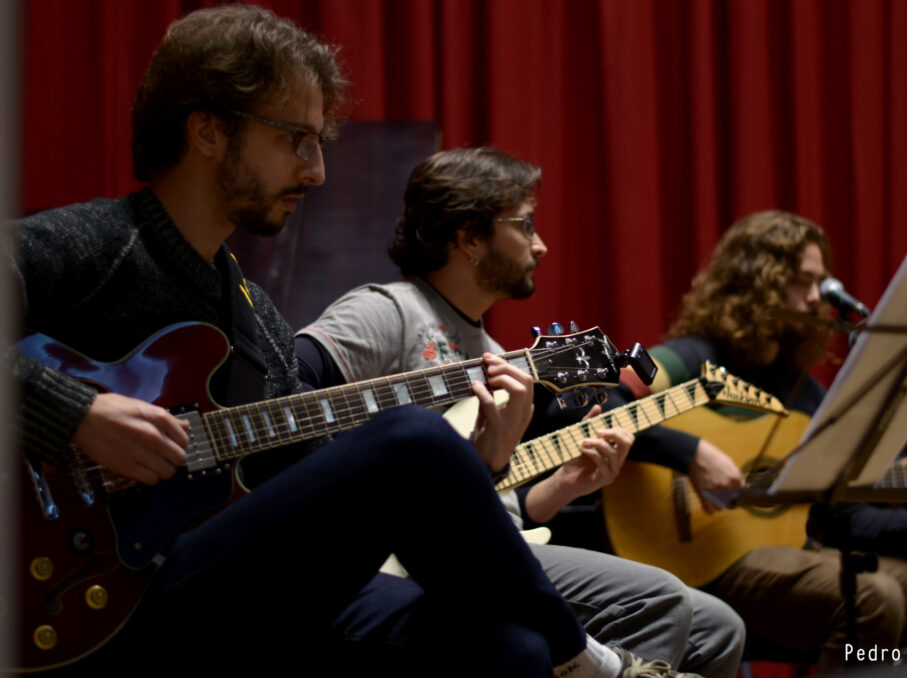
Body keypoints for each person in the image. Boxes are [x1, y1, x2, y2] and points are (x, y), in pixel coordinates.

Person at [8, 7, 689, 677]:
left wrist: (476, 467)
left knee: (509, 647)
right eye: (295, 140)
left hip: (232, 584)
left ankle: (562, 655)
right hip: (94, 597)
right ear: (208, 130)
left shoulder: (254, 316)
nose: (316, 172)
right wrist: (75, 413)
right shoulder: (91, 247)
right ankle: (595, 666)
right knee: (411, 437)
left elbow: (320, 490)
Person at [296, 147, 745, 678]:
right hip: (405, 560)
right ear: (468, 238)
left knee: (719, 626)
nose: (541, 244)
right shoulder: (388, 309)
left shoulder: (490, 351)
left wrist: (565, 486)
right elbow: (288, 393)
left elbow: (498, 506)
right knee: (658, 600)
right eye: (525, 225)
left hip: (487, 547)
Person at [607, 211, 907, 671]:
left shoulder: (805, 395)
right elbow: (607, 400)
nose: (816, 298)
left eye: (820, 282)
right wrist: (691, 453)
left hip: (790, 554)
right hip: (699, 557)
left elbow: (845, 519)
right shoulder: (693, 357)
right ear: (754, 283)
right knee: (873, 597)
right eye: (800, 281)